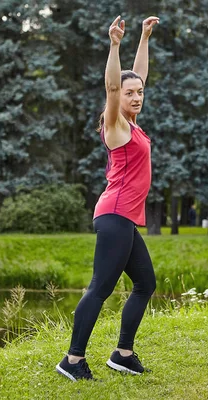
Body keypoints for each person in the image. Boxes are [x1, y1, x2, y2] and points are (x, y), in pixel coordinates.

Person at [56, 14, 160, 381]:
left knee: (146, 283)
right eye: (130, 93)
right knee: (101, 287)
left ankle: (123, 353)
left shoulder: (133, 123)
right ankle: (72, 360)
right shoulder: (115, 124)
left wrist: (144, 37)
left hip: (125, 218)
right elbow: (114, 87)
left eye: (140, 93)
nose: (137, 96)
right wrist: (114, 45)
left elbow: (137, 75)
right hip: (114, 214)